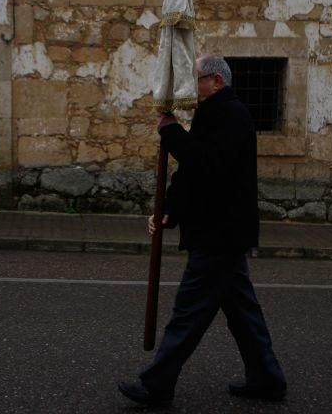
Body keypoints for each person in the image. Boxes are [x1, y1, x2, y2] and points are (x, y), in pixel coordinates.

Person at [118, 54, 287, 406]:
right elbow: (191, 175)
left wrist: (171, 132)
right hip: (219, 232)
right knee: (242, 312)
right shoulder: (211, 114)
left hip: (219, 234)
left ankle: (157, 385)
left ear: (217, 82)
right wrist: (169, 211)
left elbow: (206, 165)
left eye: (195, 79)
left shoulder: (233, 115)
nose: (189, 87)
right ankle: (267, 379)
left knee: (189, 312)